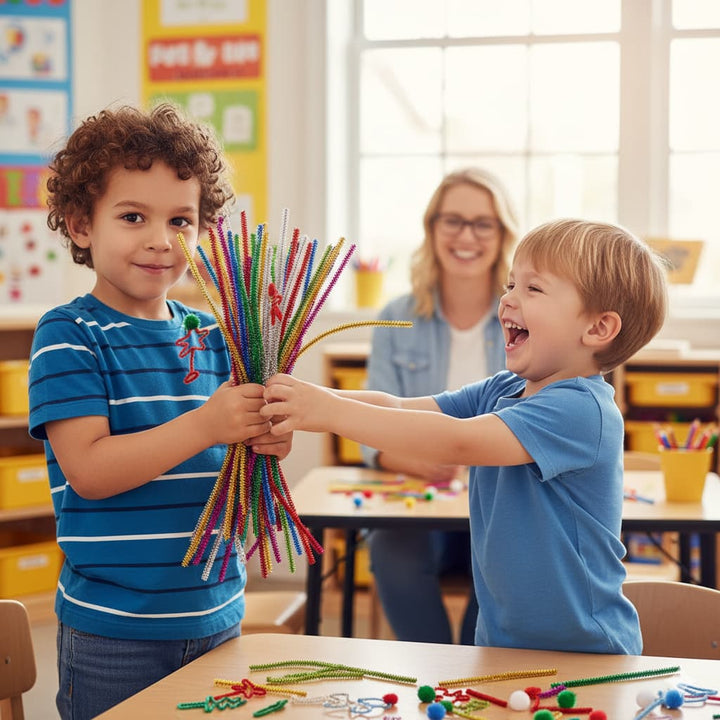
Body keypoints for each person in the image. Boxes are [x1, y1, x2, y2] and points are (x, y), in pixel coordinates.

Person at [262, 218, 669, 654]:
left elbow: (456, 441)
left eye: (533, 289)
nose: (508, 299)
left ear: (598, 329)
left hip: (585, 652)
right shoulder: (502, 389)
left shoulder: (580, 409)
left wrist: (328, 411)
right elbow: (400, 408)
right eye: (511, 284)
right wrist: (312, 400)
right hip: (504, 644)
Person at [28, 103, 291, 720]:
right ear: (81, 225)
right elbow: (89, 472)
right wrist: (206, 424)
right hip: (113, 633)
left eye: (180, 220)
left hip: (217, 615)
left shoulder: (215, 335)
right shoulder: (69, 335)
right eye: (131, 216)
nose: (159, 239)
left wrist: (263, 439)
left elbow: (236, 459)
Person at [361, 167, 519, 645]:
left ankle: (474, 672)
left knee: (511, 552)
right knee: (389, 544)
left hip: (499, 507)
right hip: (421, 507)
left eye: (482, 223)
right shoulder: (397, 317)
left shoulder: (526, 316)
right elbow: (373, 434)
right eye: (453, 220)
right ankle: (431, 678)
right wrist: (424, 463)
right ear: (432, 229)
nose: (466, 236)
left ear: (502, 234)